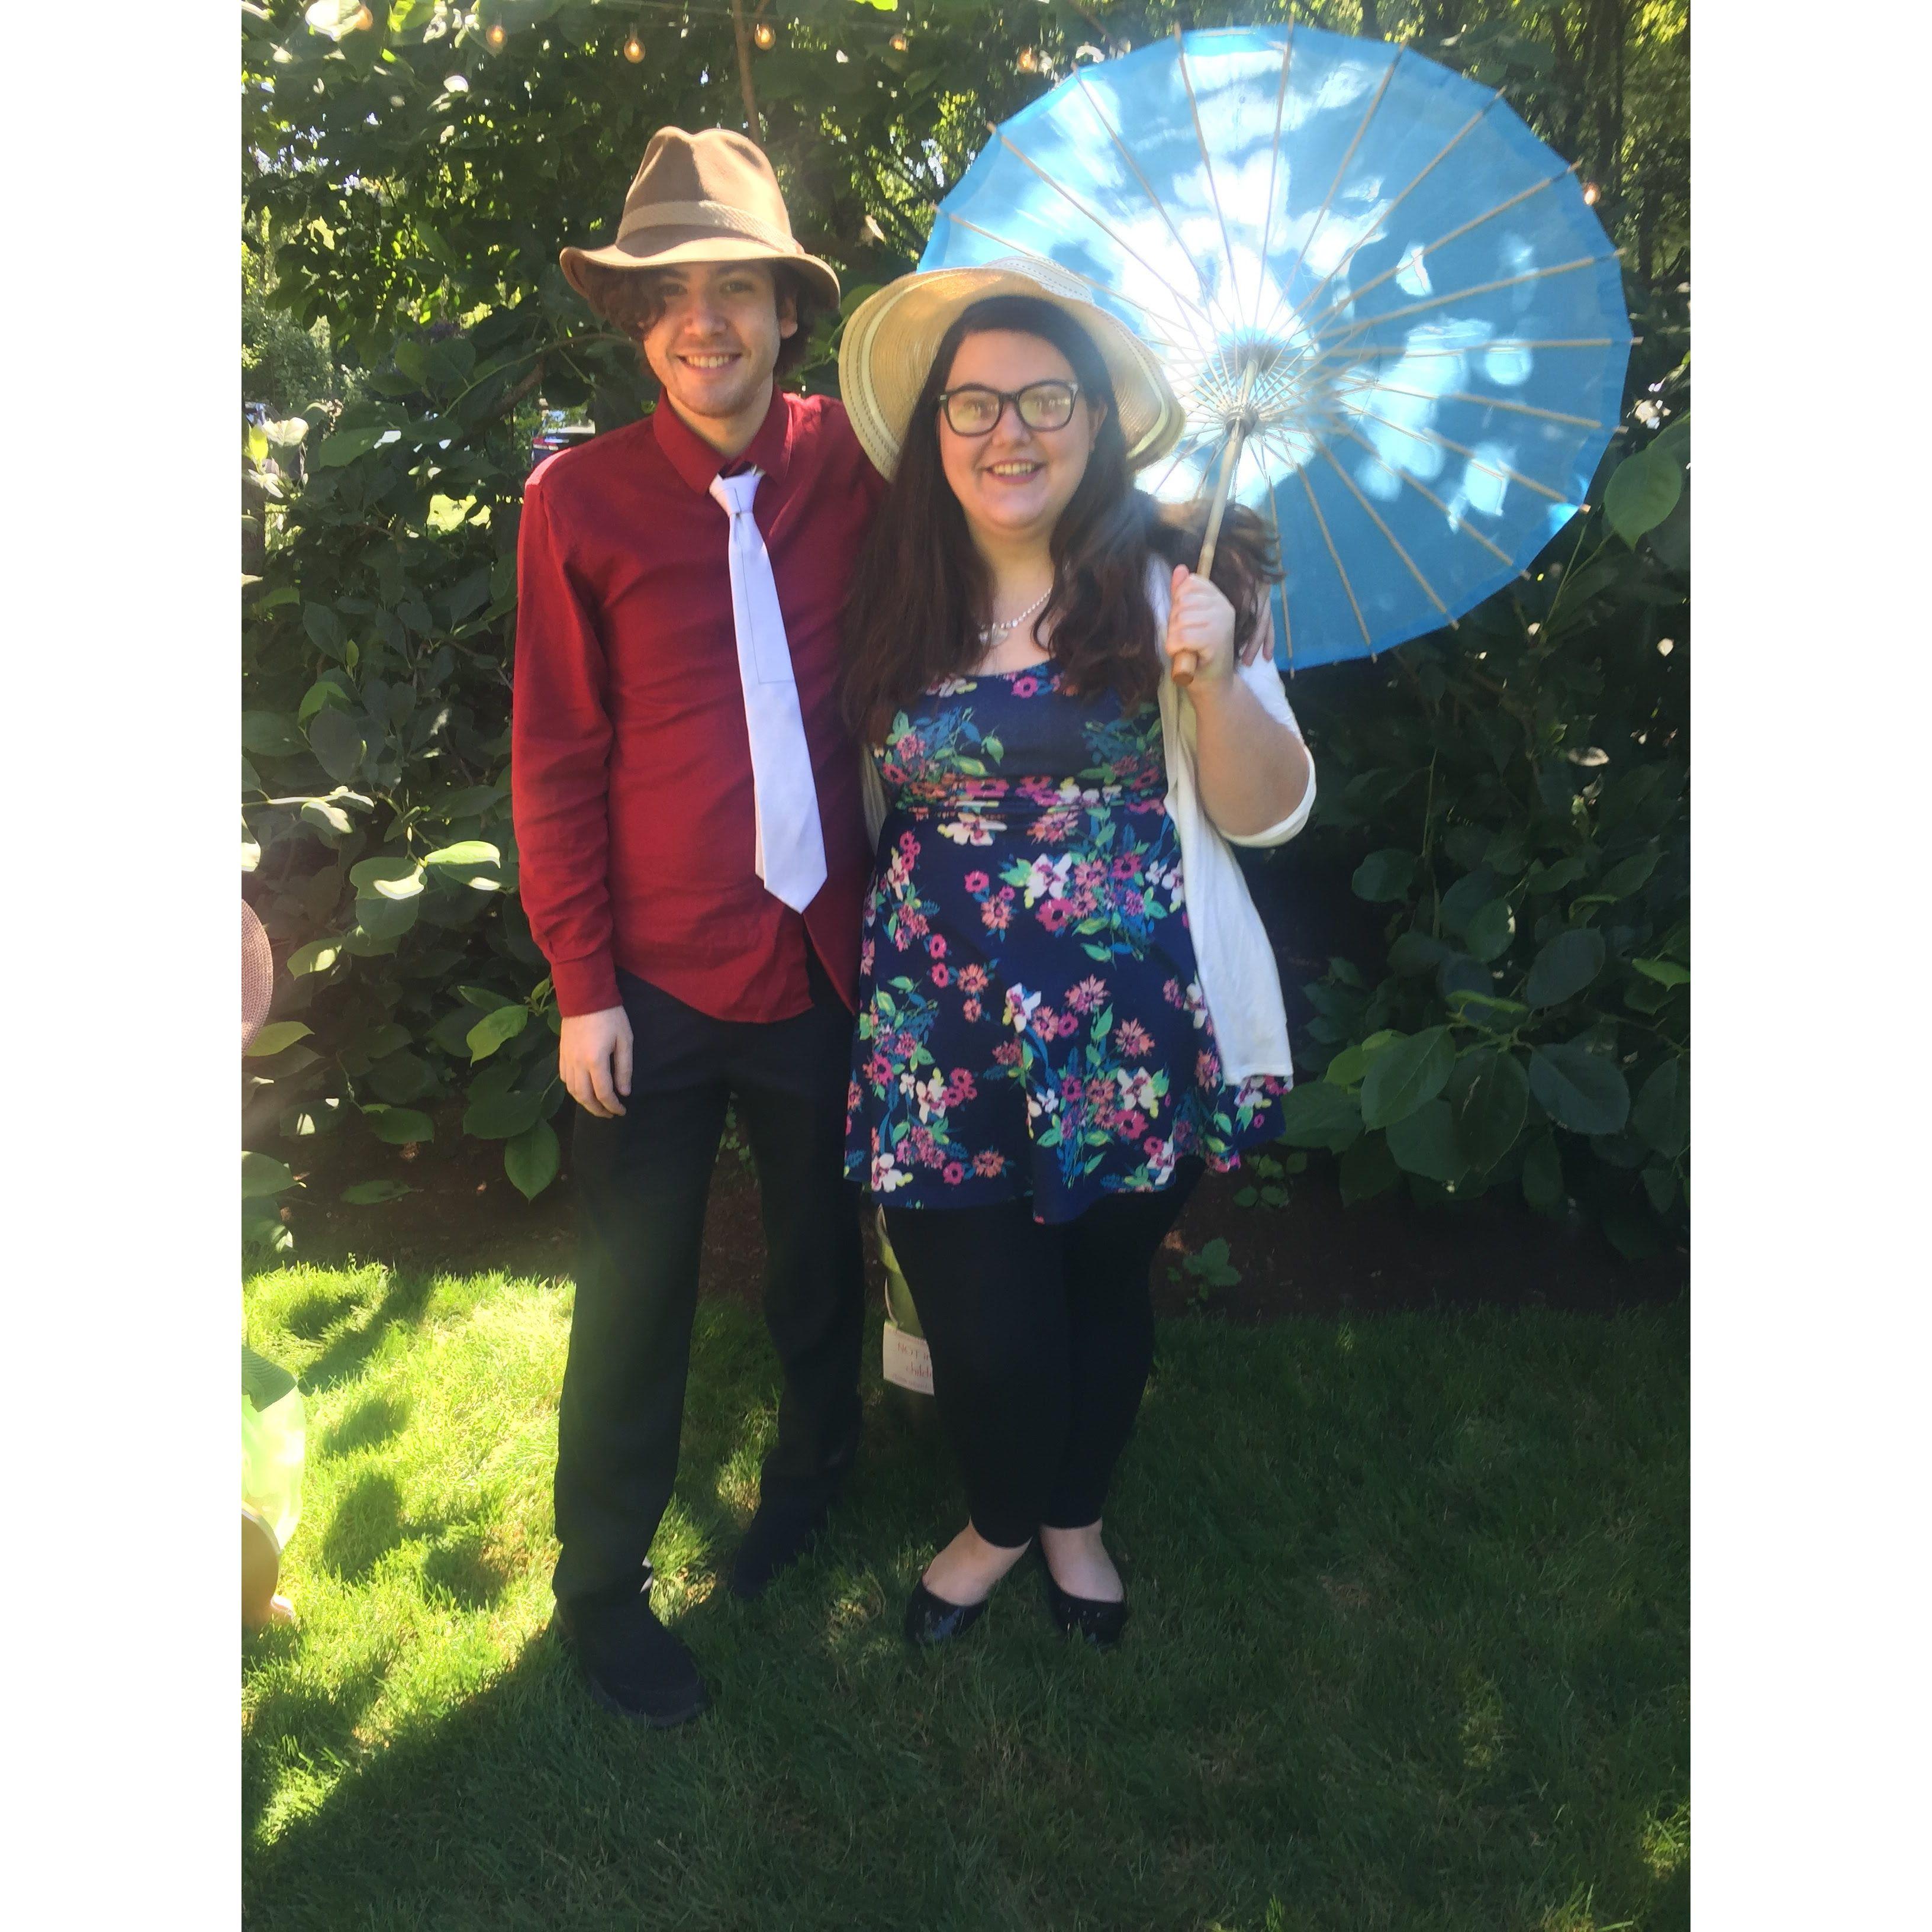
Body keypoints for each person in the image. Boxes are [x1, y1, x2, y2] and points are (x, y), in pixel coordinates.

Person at [837, 260, 1316, 1647]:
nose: (1011, 431)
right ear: (937, 432)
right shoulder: (897, 592)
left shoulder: (1175, 589)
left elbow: (1266, 813)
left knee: (1101, 1288)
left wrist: (1217, 671)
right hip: (939, 1034)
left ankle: (1072, 1522)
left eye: (1045, 399)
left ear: (1097, 426)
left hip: (1130, 1033)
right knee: (984, 1327)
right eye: (974, 402)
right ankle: (996, 1523)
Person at [511, 127, 886, 1725]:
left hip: (823, 962)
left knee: (821, 1266)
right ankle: (600, 1584)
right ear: (638, 321)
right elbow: (558, 752)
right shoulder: (577, 504)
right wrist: (582, 983)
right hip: (652, 982)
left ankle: (808, 1486)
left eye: (736, 287)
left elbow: (1026, 542)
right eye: (672, 295)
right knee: (636, 1293)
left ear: (789, 310)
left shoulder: (863, 469)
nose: (704, 321)